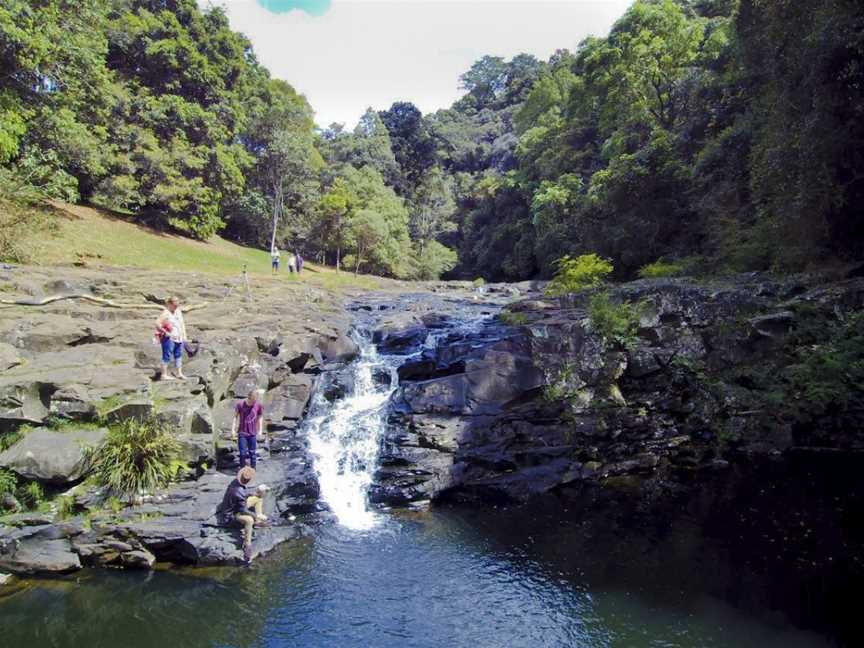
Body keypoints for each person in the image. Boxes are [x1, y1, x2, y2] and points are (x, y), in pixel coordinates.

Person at [217, 466, 270, 565]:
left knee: (258, 497)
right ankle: (247, 545)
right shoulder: (239, 492)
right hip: (231, 515)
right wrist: (254, 516)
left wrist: (249, 495)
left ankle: (258, 520)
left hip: (236, 506)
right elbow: (242, 509)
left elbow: (239, 499)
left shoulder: (235, 482)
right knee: (249, 520)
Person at [155, 296, 187, 380]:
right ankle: (163, 375)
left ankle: (179, 373)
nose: (176, 306)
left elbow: (182, 324)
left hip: (179, 337)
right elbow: (157, 323)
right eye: (174, 305)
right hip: (169, 338)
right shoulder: (166, 313)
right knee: (167, 355)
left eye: (177, 304)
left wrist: (184, 335)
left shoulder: (178, 311)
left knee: (178, 355)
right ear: (169, 304)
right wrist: (165, 332)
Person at [233, 389, 264, 468]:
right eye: (252, 400)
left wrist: (260, 430)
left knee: (252, 453)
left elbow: (260, 417)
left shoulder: (258, 405)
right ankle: (242, 471)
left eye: (255, 401)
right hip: (242, 433)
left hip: (252, 433)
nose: (253, 403)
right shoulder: (240, 404)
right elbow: (235, 417)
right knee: (242, 453)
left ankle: (253, 470)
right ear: (248, 397)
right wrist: (233, 429)